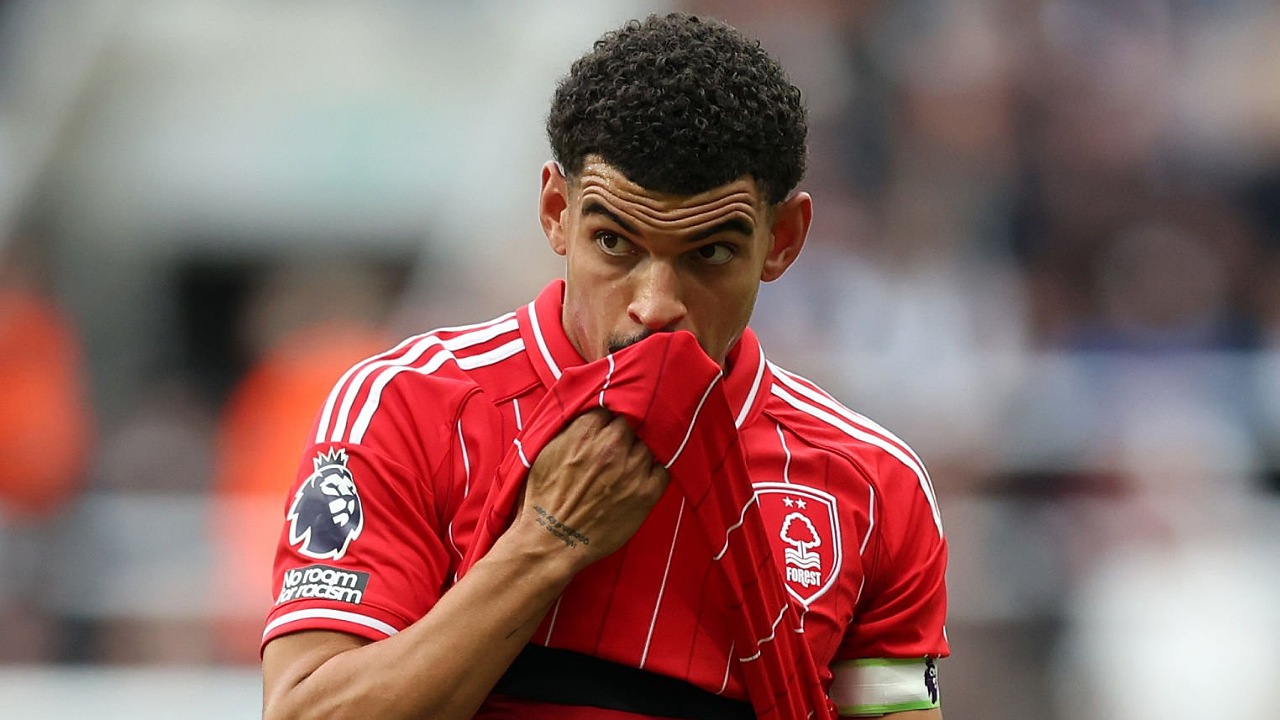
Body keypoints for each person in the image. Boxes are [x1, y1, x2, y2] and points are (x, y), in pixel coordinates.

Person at [260, 13, 948, 720]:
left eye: (709, 253)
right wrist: (543, 545)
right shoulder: (405, 408)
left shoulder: (875, 487)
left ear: (784, 240)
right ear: (556, 211)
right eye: (616, 243)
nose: (655, 304)